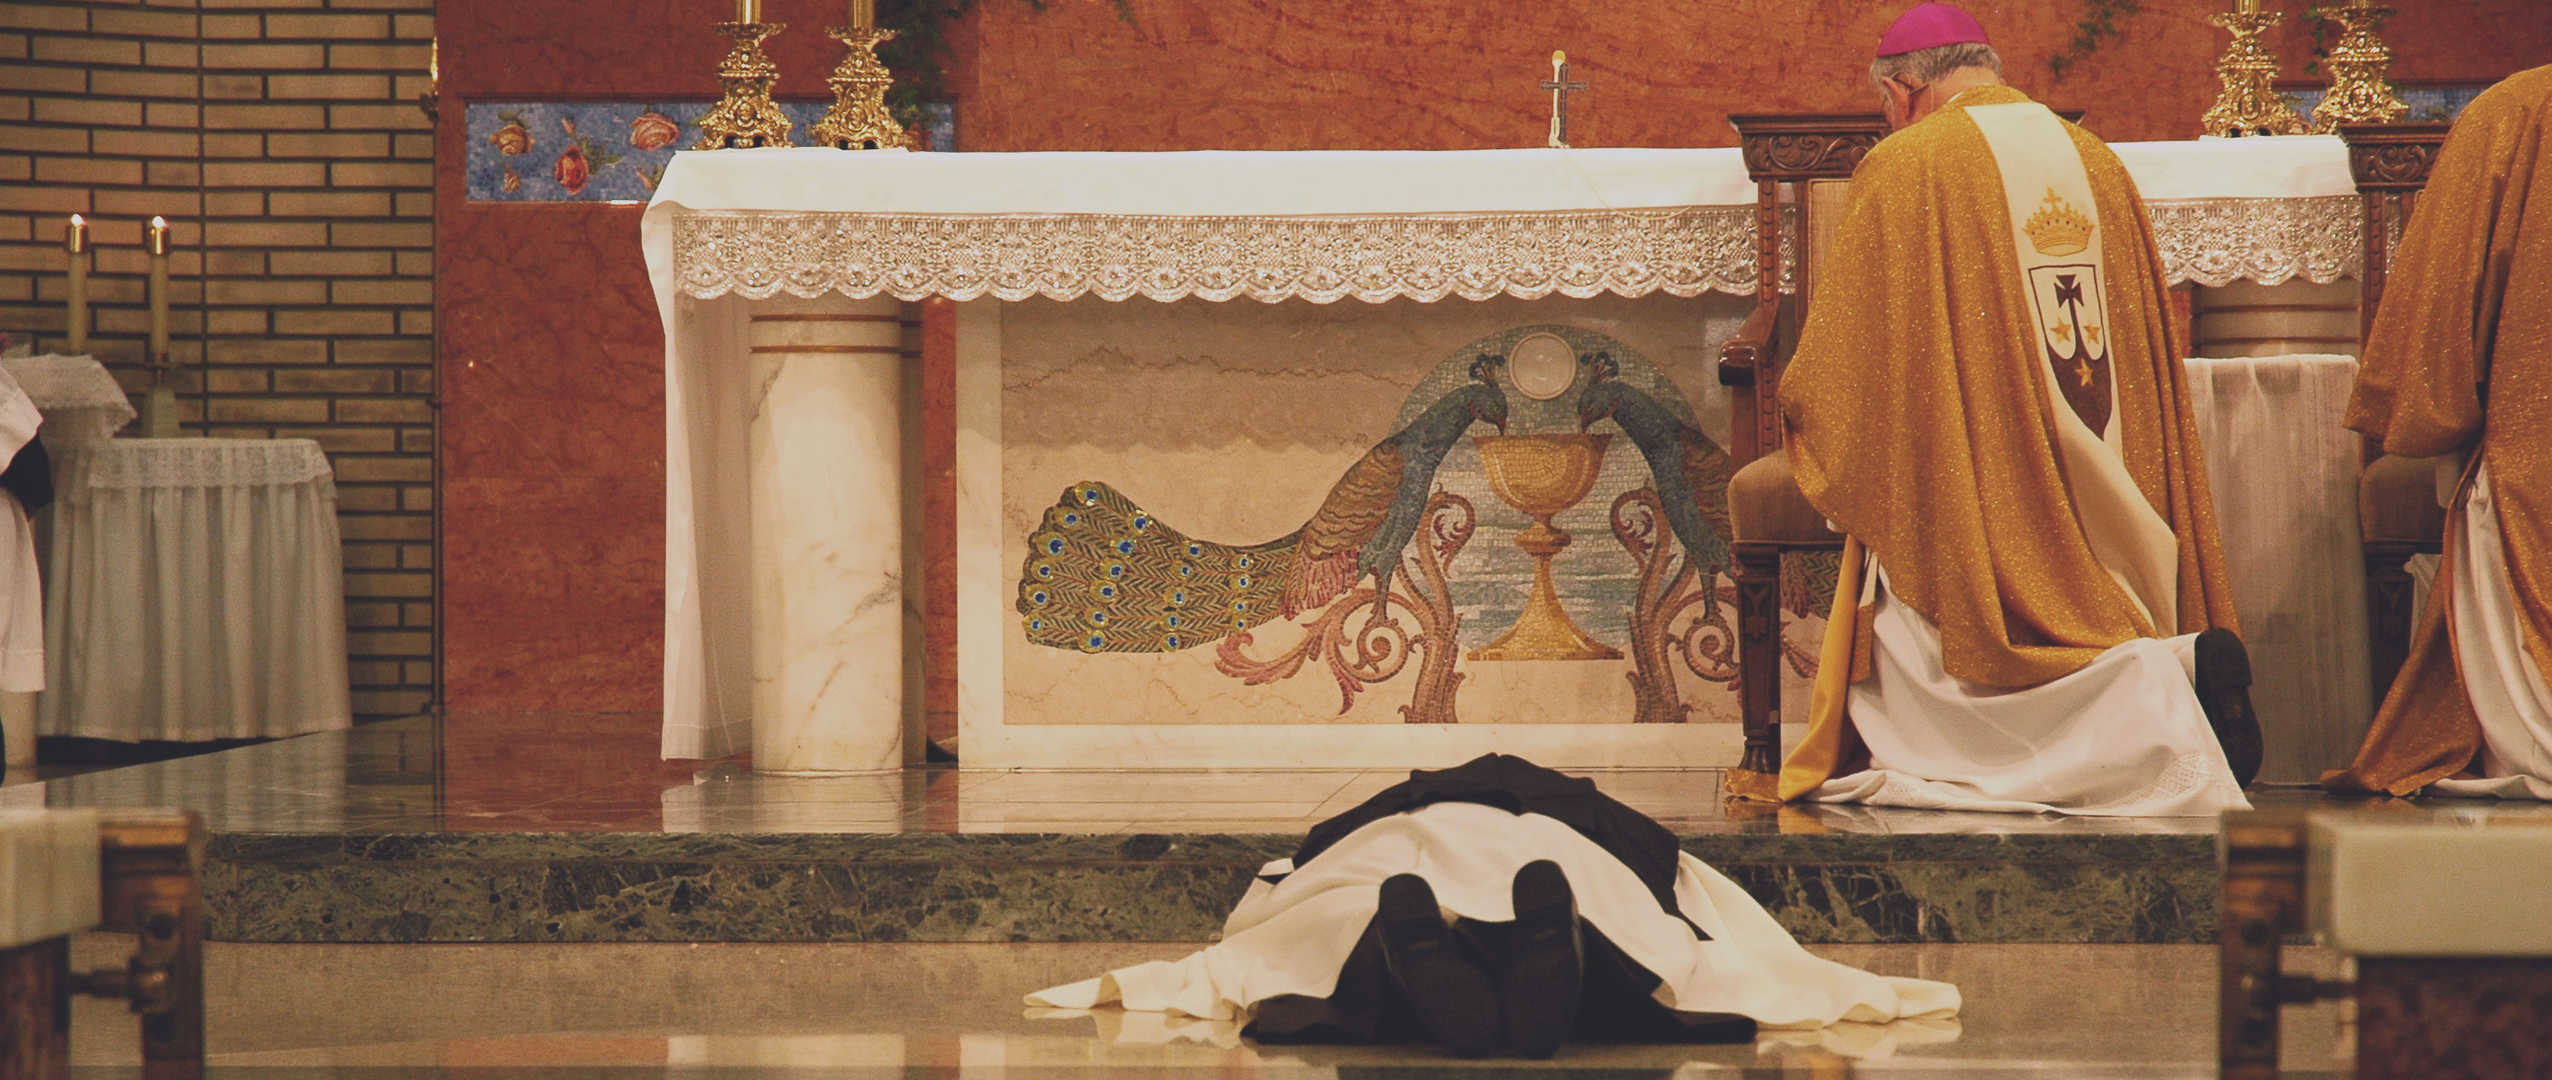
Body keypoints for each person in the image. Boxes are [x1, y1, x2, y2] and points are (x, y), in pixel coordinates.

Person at [1772, 3, 2258, 816]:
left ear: (1904, 88)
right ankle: (2166, 659)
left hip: (1974, 483)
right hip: (2112, 477)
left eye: (1884, 108)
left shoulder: (1908, 164)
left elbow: (1848, 363)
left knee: (1942, 605)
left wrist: (1805, 411)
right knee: (2094, 578)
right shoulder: (2095, 159)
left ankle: (2148, 691)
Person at [1026, 754, 1957, 1059]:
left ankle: (1414, 966)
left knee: (1351, 907)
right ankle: (1561, 960)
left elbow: (1286, 881)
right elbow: (1672, 877)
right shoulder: (1576, 810)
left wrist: (1303, 868)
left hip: (1392, 846)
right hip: (1569, 850)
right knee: (1608, 903)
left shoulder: (1392, 808)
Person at [2326, 65, 2552, 800]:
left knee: (2507, 474)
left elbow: (2443, 293)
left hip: (2536, 452)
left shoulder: (2517, 110)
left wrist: (2422, 409)